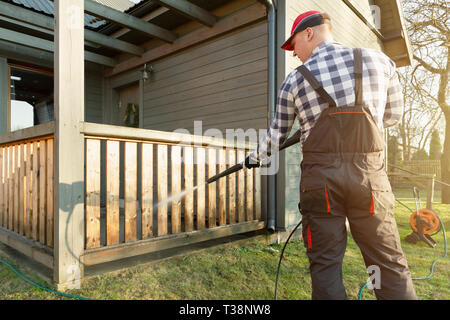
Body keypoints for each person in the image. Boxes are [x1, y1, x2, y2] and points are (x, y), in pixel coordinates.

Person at [245, 10, 417, 300]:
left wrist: (255, 157)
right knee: (386, 263)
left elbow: (276, 135)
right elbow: (390, 118)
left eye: (294, 45)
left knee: (326, 266)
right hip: (370, 183)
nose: (294, 54)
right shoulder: (380, 62)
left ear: (309, 33)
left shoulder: (293, 81)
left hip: (321, 186)